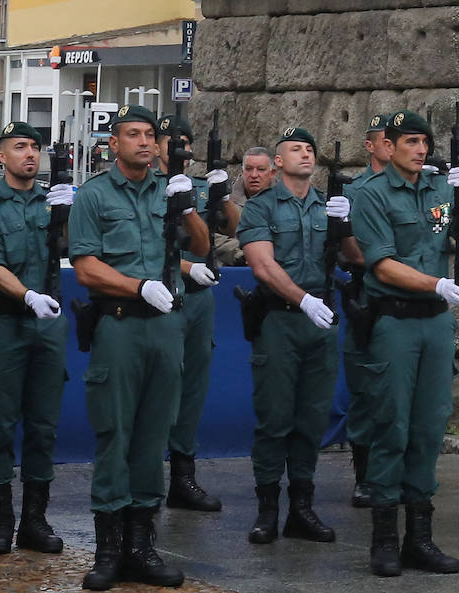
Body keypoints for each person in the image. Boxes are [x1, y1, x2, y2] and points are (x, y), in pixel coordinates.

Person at [69, 104, 210, 590]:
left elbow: (204, 247)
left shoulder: (169, 191)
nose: (146, 143)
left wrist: (187, 206)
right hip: (121, 323)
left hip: (165, 327)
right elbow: (85, 267)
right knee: (116, 434)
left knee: (154, 435)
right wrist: (136, 286)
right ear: (114, 144)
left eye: (151, 135)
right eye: (134, 135)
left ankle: (141, 544)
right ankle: (108, 549)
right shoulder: (94, 196)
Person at [351, 110, 459, 577]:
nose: (420, 149)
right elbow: (380, 264)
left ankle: (419, 538)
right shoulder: (370, 194)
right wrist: (434, 284)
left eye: (425, 141)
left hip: (435, 324)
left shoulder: (439, 189)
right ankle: (384, 539)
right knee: (393, 426)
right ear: (389, 146)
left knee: (429, 428)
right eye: (410, 142)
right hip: (396, 322)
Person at [237, 126, 362, 545]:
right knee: (275, 418)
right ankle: (267, 509)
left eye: (310, 149)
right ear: (278, 161)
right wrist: (302, 298)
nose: (306, 155)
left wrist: (346, 225)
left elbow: (358, 258)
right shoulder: (261, 208)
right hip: (281, 319)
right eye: (295, 149)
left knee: (312, 418)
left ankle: (302, 508)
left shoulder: (328, 206)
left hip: (321, 320)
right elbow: (262, 266)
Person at [0, 121, 72, 555]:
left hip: (48, 327)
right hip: (8, 323)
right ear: (1, 156)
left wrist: (68, 218)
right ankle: (1, 520)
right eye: (20, 147)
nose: (30, 154)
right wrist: (27, 295)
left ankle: (34, 519)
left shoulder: (55, 204)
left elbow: (80, 251)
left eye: (35, 147)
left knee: (44, 426)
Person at [155, 113, 235, 513]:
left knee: (193, 390)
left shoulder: (200, 188)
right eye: (172, 142)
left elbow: (236, 229)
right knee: (160, 388)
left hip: (199, 298)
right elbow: (151, 245)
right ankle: (149, 474)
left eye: (185, 142)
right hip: (161, 295)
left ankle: (183, 475)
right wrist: (186, 268)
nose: (180, 150)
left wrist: (223, 195)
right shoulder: (147, 188)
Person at [341, 113, 392, 507]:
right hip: (366, 294)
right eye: (383, 140)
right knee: (363, 388)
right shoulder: (355, 191)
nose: (391, 146)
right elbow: (351, 250)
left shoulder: (420, 188)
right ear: (370, 147)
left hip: (404, 296)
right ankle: (364, 475)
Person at [214, 146, 275, 266]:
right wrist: (243, 253)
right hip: (236, 268)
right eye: (249, 169)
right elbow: (211, 236)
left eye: (261, 169)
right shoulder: (224, 200)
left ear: (272, 173)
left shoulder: (287, 200)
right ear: (242, 171)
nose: (254, 175)